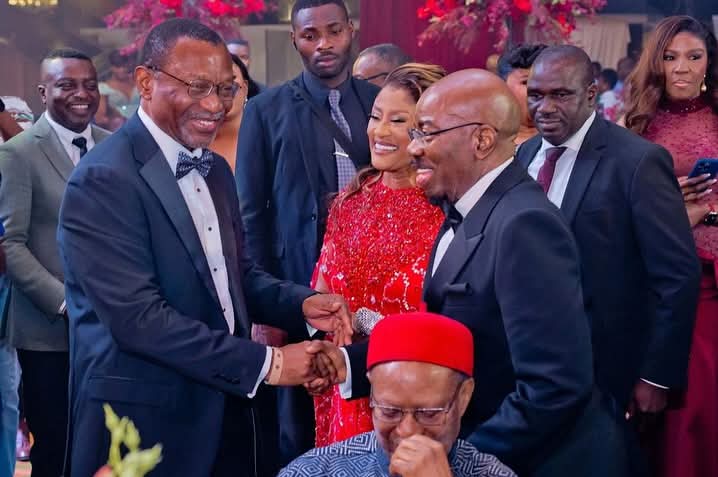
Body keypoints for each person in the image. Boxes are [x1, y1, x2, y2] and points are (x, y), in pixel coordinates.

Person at [56, 19, 353, 477]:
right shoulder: (103, 179)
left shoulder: (214, 170)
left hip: (230, 413)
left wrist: (302, 304)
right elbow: (139, 320)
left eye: (225, 89)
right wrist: (270, 363)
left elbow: (234, 277)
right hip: (145, 424)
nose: (215, 105)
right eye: (197, 87)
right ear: (145, 82)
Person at [310, 69, 631, 477]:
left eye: (426, 133)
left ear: (481, 140)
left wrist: (457, 460)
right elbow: (456, 341)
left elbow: (554, 387)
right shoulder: (467, 209)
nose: (414, 147)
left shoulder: (524, 225)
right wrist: (350, 364)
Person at [517, 45, 701, 474]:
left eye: (560, 95)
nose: (544, 107)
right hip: (535, 367)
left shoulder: (637, 161)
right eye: (535, 95)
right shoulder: (525, 155)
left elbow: (677, 275)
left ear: (591, 94)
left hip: (609, 371)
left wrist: (656, 376)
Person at [235, 0, 380, 464]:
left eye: (333, 31)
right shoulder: (266, 110)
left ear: (350, 30)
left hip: (373, 282)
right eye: (310, 35)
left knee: (372, 398)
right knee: (300, 412)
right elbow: (251, 214)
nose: (324, 44)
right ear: (294, 39)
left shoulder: (378, 102)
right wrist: (264, 302)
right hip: (297, 285)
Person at [312, 63, 445, 446]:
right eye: (375, 116)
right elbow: (323, 292)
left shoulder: (445, 210)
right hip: (342, 390)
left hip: (411, 399)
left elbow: (441, 322)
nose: (379, 131)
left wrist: (365, 319)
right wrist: (321, 352)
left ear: (427, 131)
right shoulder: (351, 201)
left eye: (398, 121)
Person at [0, 48, 108, 477]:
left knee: (105, 444)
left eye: (89, 85)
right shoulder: (19, 152)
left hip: (113, 327)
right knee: (57, 446)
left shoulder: (114, 145)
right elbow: (11, 244)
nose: (81, 94)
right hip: (48, 332)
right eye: (67, 85)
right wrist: (66, 303)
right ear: (43, 92)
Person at [623, 15, 718, 477]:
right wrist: (666, 203)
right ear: (655, 62)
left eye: (694, 57)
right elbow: (616, 207)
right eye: (670, 56)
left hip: (712, 279)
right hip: (659, 281)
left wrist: (708, 212)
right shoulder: (635, 124)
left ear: (708, 64)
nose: (682, 68)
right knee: (677, 405)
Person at [283, 312, 516, 477]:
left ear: (463, 397)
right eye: (390, 412)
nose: (407, 431)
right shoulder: (314, 471)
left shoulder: (492, 473)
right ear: (372, 393)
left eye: (428, 414)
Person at [209, 53, 260, 171]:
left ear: (245, 88)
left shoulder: (267, 137)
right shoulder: (191, 142)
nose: (225, 89)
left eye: (231, 79)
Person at [496, 43, 547, 144]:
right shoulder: (488, 141)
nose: (539, 89)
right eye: (526, 82)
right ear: (503, 88)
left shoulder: (567, 140)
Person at [95, 50, 140, 131]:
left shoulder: (139, 82)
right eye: (119, 67)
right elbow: (100, 118)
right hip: (120, 130)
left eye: (126, 66)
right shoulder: (103, 88)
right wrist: (115, 120)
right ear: (112, 67)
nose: (123, 70)